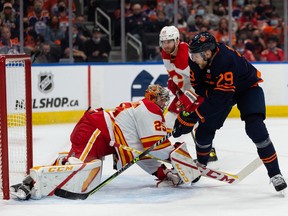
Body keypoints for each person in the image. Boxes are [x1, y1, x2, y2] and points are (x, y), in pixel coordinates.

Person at [10, 84, 197, 200]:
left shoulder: (141, 111)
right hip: (94, 131)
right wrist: (179, 160)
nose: (165, 104)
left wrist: (162, 173)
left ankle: (31, 181)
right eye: (162, 100)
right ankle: (29, 184)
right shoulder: (148, 108)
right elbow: (155, 145)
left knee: (82, 169)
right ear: (153, 99)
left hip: (95, 133)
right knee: (78, 169)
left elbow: (140, 153)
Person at [172, 31, 287, 193]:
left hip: (247, 89)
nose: (192, 59)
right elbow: (198, 86)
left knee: (256, 127)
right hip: (219, 92)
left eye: (196, 55)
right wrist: (188, 115)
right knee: (205, 128)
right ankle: (201, 165)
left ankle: (275, 174)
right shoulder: (195, 62)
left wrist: (194, 115)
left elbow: (221, 100)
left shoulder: (226, 60)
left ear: (207, 53)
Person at [159, 25, 218, 162]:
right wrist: (173, 81)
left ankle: (209, 152)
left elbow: (199, 80)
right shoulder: (165, 54)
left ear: (177, 40)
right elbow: (176, 73)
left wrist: (187, 98)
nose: (166, 45)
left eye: (169, 41)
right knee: (169, 119)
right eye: (163, 42)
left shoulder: (187, 53)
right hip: (186, 91)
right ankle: (160, 149)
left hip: (200, 90)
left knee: (197, 121)